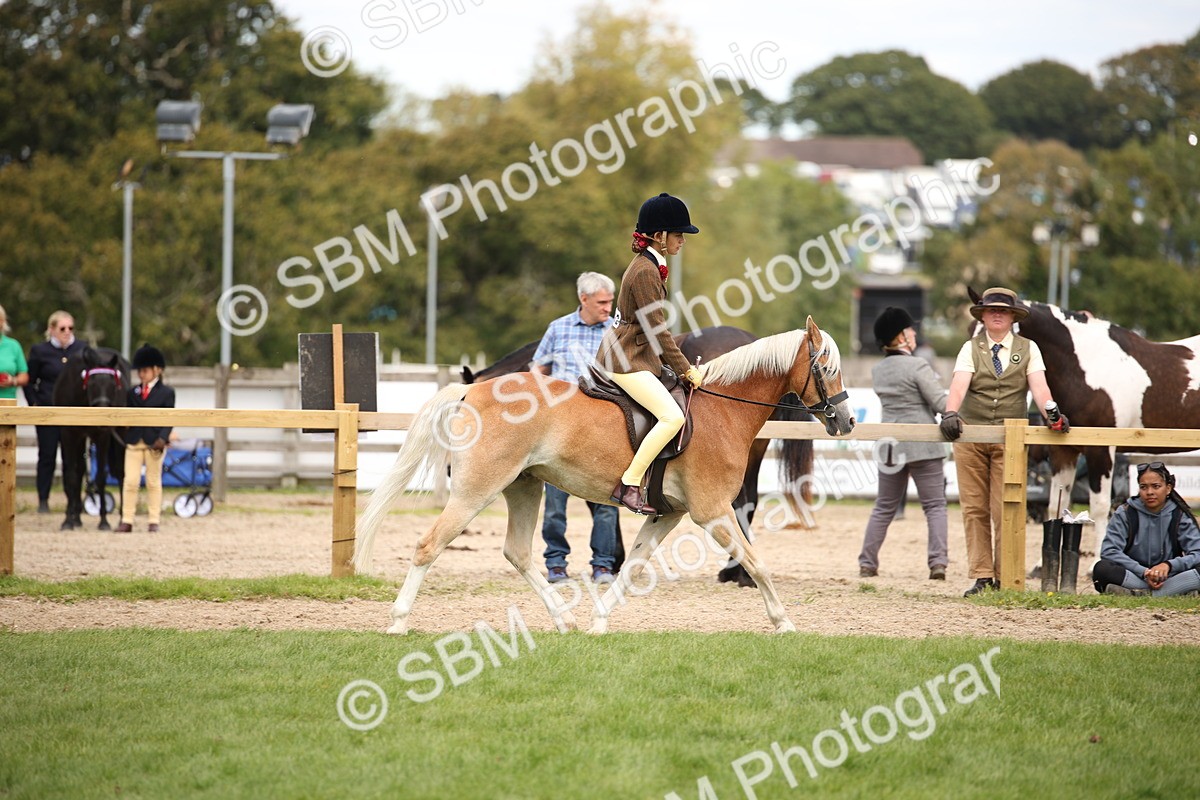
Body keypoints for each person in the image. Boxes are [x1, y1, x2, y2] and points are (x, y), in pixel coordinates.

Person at [940, 287, 1069, 596]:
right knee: (974, 509)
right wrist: (950, 413)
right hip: (970, 435)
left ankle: (1005, 575)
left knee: (1005, 508)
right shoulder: (970, 348)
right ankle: (982, 576)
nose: (997, 314)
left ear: (1013, 316)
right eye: (991, 309)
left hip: (1011, 438)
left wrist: (1052, 414)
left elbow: (1039, 387)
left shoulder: (1029, 348)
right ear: (982, 315)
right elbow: (959, 384)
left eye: (1003, 310)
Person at [596, 193, 704, 515]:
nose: (682, 241)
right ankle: (629, 483)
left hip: (634, 353)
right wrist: (686, 370)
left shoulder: (652, 264)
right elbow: (657, 331)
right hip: (626, 359)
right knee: (672, 416)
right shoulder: (644, 271)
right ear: (659, 236)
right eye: (678, 234)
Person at [532, 272, 621, 584]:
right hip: (561, 428)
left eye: (610, 301)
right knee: (555, 505)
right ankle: (556, 564)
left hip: (603, 426)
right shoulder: (559, 329)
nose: (608, 307)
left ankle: (603, 565)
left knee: (607, 504)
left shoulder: (616, 330)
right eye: (602, 302)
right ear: (584, 300)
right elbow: (537, 369)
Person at [858, 307, 950, 581]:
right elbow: (941, 403)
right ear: (900, 337)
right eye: (910, 330)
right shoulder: (918, 366)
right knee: (934, 506)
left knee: (884, 506)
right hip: (922, 443)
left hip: (890, 445)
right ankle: (938, 562)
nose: (914, 334)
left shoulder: (878, 370)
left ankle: (867, 562)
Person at [1092, 462, 1200, 597]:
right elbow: (1109, 551)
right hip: (1135, 575)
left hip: (1170, 576)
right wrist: (1144, 572)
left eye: (1156, 486)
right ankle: (1174, 592)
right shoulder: (1125, 512)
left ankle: (1138, 594)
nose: (1149, 492)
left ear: (1168, 488)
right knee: (1102, 569)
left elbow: (1197, 552)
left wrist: (1168, 566)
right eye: (1144, 487)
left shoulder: (1179, 515)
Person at [24, 310, 87, 513]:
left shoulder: (82, 348)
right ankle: (43, 500)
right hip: (48, 412)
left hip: (74, 414)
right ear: (51, 330)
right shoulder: (40, 351)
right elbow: (29, 381)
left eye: (70, 328)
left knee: (75, 458)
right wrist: (35, 404)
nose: (67, 332)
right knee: (47, 456)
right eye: (62, 328)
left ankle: (75, 501)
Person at [116, 344, 175, 533]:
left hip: (154, 441)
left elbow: (169, 418)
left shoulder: (166, 393)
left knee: (153, 481)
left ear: (157, 370)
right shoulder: (132, 392)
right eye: (140, 371)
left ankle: (154, 519)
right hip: (134, 441)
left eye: (145, 370)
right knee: (130, 481)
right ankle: (127, 519)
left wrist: (162, 438)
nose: (142, 374)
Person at [0, 304, 30, 402]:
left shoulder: (13, 345)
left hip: (8, 402)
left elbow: (24, 376)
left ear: (3, 322)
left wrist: (12, 381)